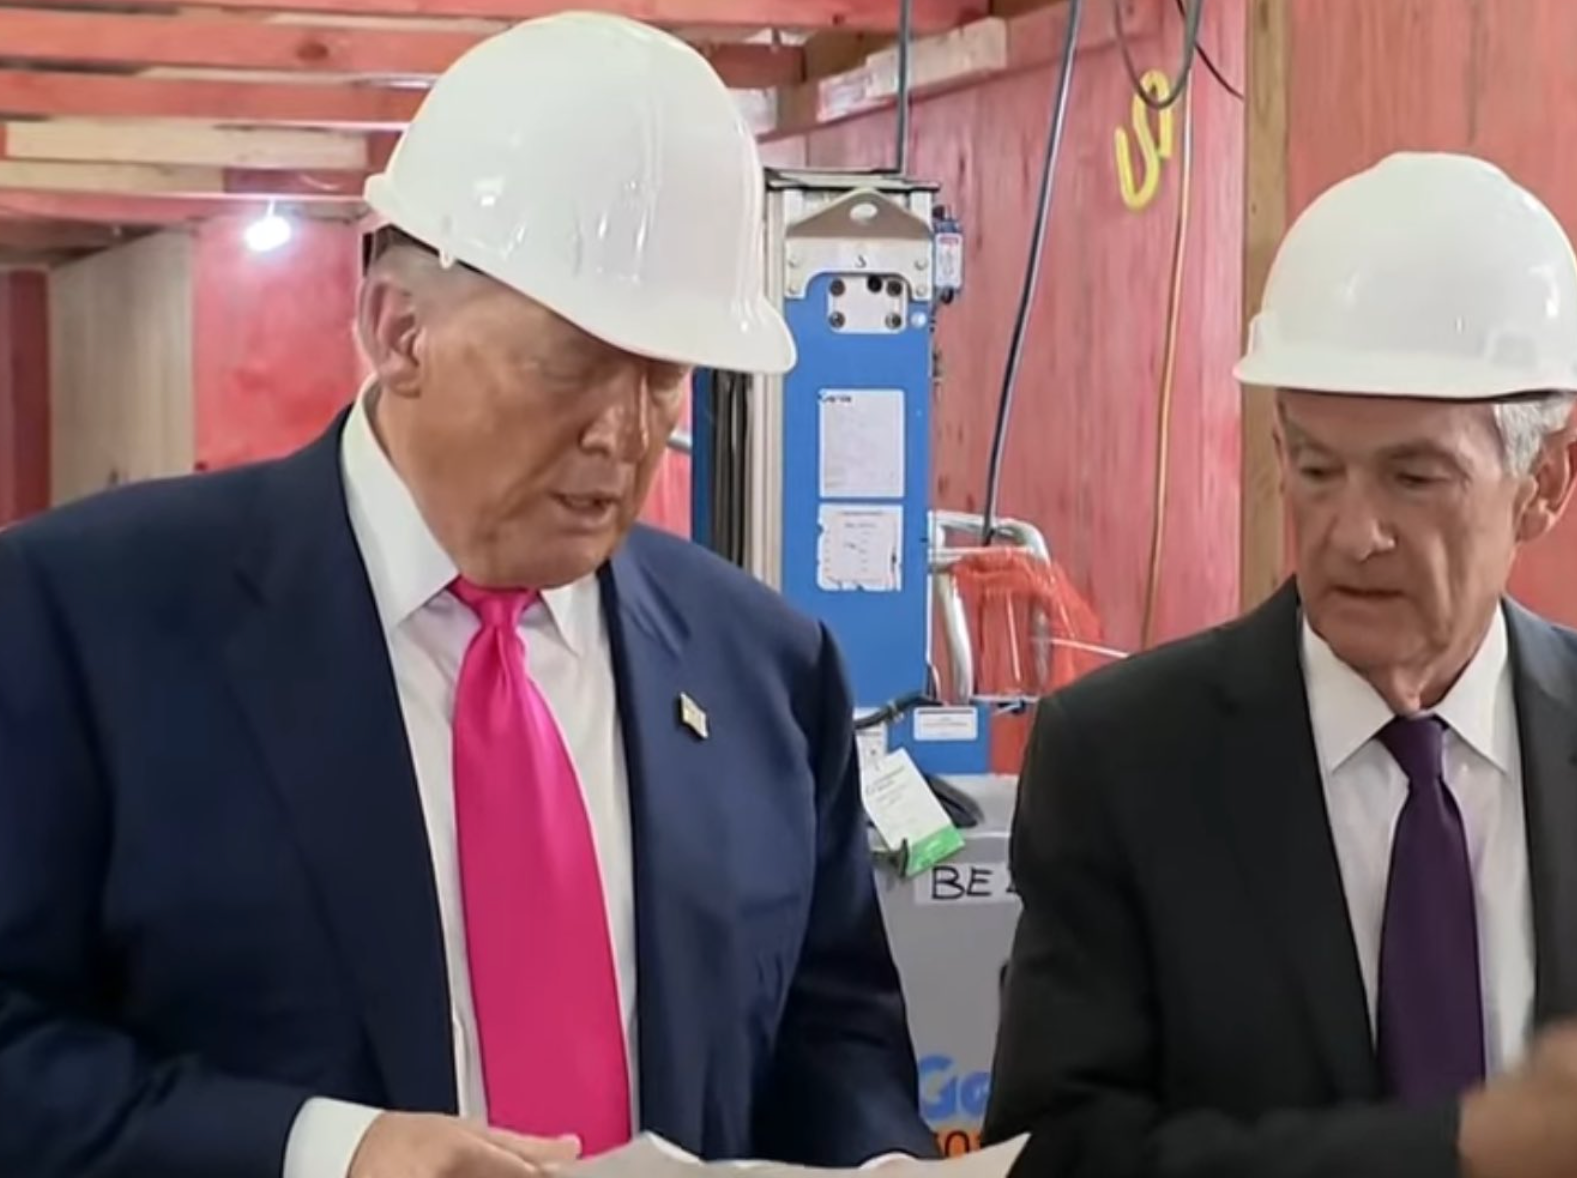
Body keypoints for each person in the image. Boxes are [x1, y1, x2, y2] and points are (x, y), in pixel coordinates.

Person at [0, 13, 935, 1178]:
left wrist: (878, 1159)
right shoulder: (86, 622)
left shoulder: (765, 672)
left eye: (665, 373)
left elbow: (831, 1031)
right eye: (572, 363)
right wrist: (328, 1150)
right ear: (399, 331)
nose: (625, 431)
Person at [982, 151, 1577, 1178]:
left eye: (1412, 476)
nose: (1352, 533)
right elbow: (1058, 1156)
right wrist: (1461, 1148)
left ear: (1543, 482)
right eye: (1314, 468)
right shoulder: (1123, 762)